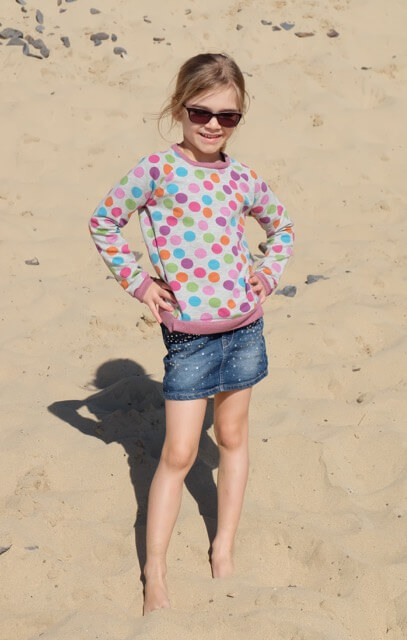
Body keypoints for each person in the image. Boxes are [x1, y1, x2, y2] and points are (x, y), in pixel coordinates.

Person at [88, 52, 294, 614]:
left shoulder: (243, 177)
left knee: (232, 437)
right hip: (190, 339)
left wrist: (267, 274)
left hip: (245, 330)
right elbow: (104, 222)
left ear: (239, 118)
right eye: (201, 112)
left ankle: (222, 547)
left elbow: (281, 227)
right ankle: (155, 570)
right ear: (179, 108)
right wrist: (138, 283)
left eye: (227, 116)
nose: (212, 125)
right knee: (179, 452)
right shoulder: (157, 170)